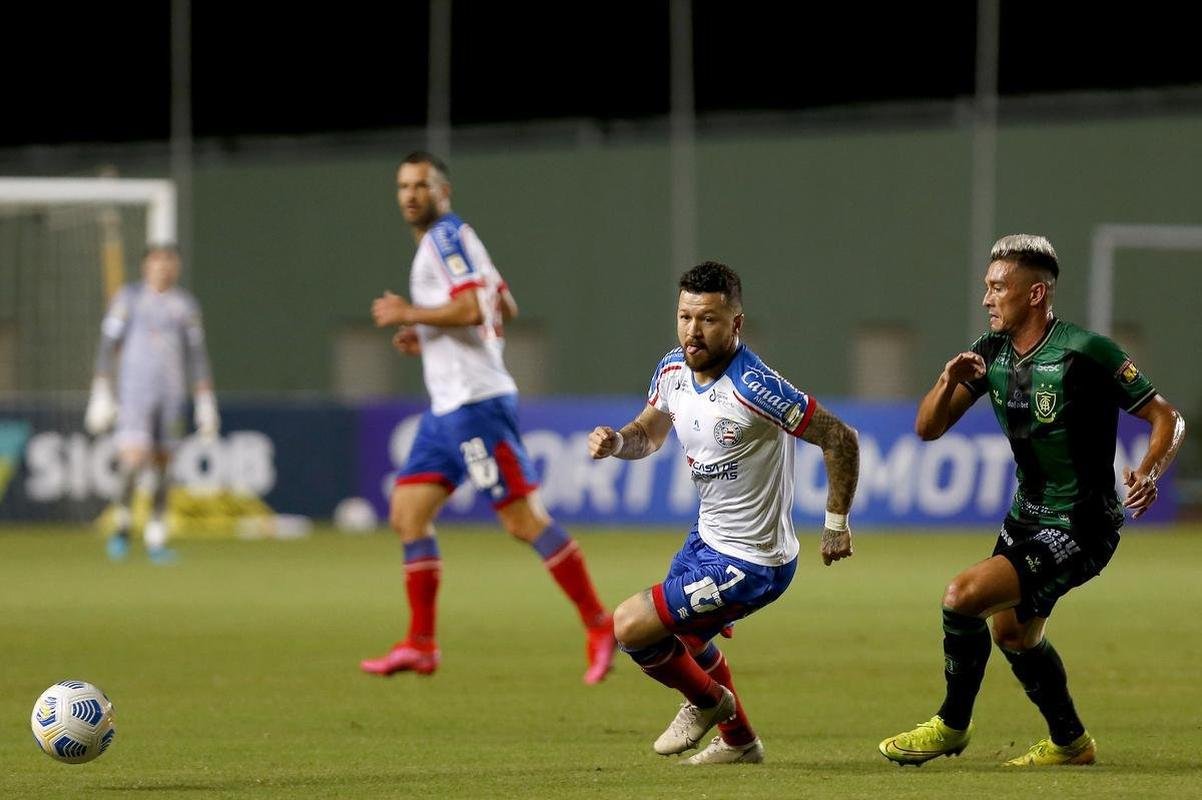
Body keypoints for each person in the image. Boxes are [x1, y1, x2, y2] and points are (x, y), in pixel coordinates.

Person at [879, 234, 1186, 767]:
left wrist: (1151, 470)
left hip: (1082, 523)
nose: (987, 298)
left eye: (999, 287)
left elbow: (1166, 416)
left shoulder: (1086, 351)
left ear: (1036, 293)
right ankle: (1071, 744)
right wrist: (946, 379)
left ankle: (951, 725)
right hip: (1025, 518)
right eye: (987, 286)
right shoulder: (990, 350)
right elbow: (928, 428)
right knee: (1014, 634)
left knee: (963, 596)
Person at [588, 261, 860, 764]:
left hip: (754, 560)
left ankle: (709, 703)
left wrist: (836, 524)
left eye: (709, 319)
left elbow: (840, 438)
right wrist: (617, 442)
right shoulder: (672, 370)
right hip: (707, 539)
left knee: (630, 626)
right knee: (684, 640)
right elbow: (649, 434)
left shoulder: (757, 387)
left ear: (735, 323)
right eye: (686, 316)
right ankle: (740, 743)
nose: (694, 331)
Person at [363, 152, 615, 684]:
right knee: (408, 512)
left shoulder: (445, 239)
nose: (410, 195)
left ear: (443, 191)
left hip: (476, 405)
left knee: (522, 521)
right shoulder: (461, 240)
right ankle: (421, 644)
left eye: (420, 185)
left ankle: (600, 625)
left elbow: (477, 309)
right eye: (403, 186)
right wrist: (429, 335)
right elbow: (505, 303)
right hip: (446, 407)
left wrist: (411, 314)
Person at [84, 245, 220, 563]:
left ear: (178, 268)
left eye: (170, 263)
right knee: (132, 464)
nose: (164, 269)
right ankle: (122, 524)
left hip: (171, 397)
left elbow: (197, 355)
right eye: (158, 263)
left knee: (163, 469)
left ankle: (156, 534)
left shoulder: (185, 306)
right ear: (146, 267)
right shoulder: (128, 299)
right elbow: (108, 344)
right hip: (134, 396)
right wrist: (101, 389)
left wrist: (205, 399)